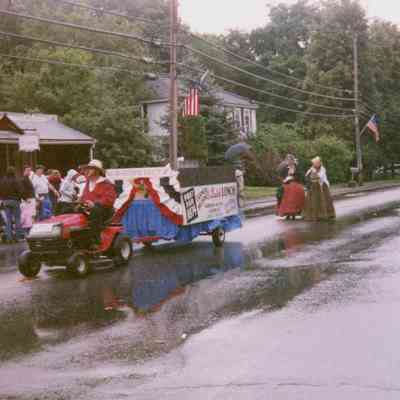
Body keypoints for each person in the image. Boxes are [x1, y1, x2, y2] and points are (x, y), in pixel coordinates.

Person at [79, 159, 116, 246]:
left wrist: (95, 203)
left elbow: (109, 199)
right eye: (87, 168)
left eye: (90, 168)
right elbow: (83, 197)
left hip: (104, 210)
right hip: (89, 209)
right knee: (68, 209)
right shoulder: (87, 183)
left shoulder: (106, 183)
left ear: (97, 171)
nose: (87, 170)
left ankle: (95, 239)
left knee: (95, 210)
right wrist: (79, 201)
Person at [303, 156, 336, 221]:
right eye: (314, 163)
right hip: (313, 186)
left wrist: (315, 174)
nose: (315, 164)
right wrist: (309, 178)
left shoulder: (322, 169)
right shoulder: (311, 169)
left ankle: (325, 214)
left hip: (322, 186)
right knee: (313, 201)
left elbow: (321, 177)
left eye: (316, 163)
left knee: (323, 200)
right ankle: (313, 215)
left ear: (319, 163)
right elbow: (306, 176)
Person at [277, 155, 306, 220]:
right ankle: (286, 212)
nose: (289, 161)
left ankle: (294, 212)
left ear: (293, 161)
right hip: (286, 183)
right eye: (288, 160)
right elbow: (281, 175)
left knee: (296, 190)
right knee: (282, 191)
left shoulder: (296, 167)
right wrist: (284, 179)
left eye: (290, 160)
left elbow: (301, 175)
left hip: (295, 182)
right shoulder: (285, 168)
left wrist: (293, 177)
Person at [0, 167, 24, 243]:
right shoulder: (16, 180)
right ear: (14, 172)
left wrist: (3, 198)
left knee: (8, 220)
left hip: (5, 201)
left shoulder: (3, 180)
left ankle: (9, 238)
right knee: (17, 219)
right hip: (15, 201)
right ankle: (17, 237)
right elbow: (20, 191)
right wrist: (20, 198)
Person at [20, 166, 36, 235]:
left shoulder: (28, 179)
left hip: (31, 198)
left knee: (31, 214)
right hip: (28, 199)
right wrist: (25, 198)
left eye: (30, 170)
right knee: (27, 215)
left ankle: (30, 230)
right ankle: (26, 231)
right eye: (27, 170)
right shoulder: (23, 179)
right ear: (24, 171)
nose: (29, 172)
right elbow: (22, 190)